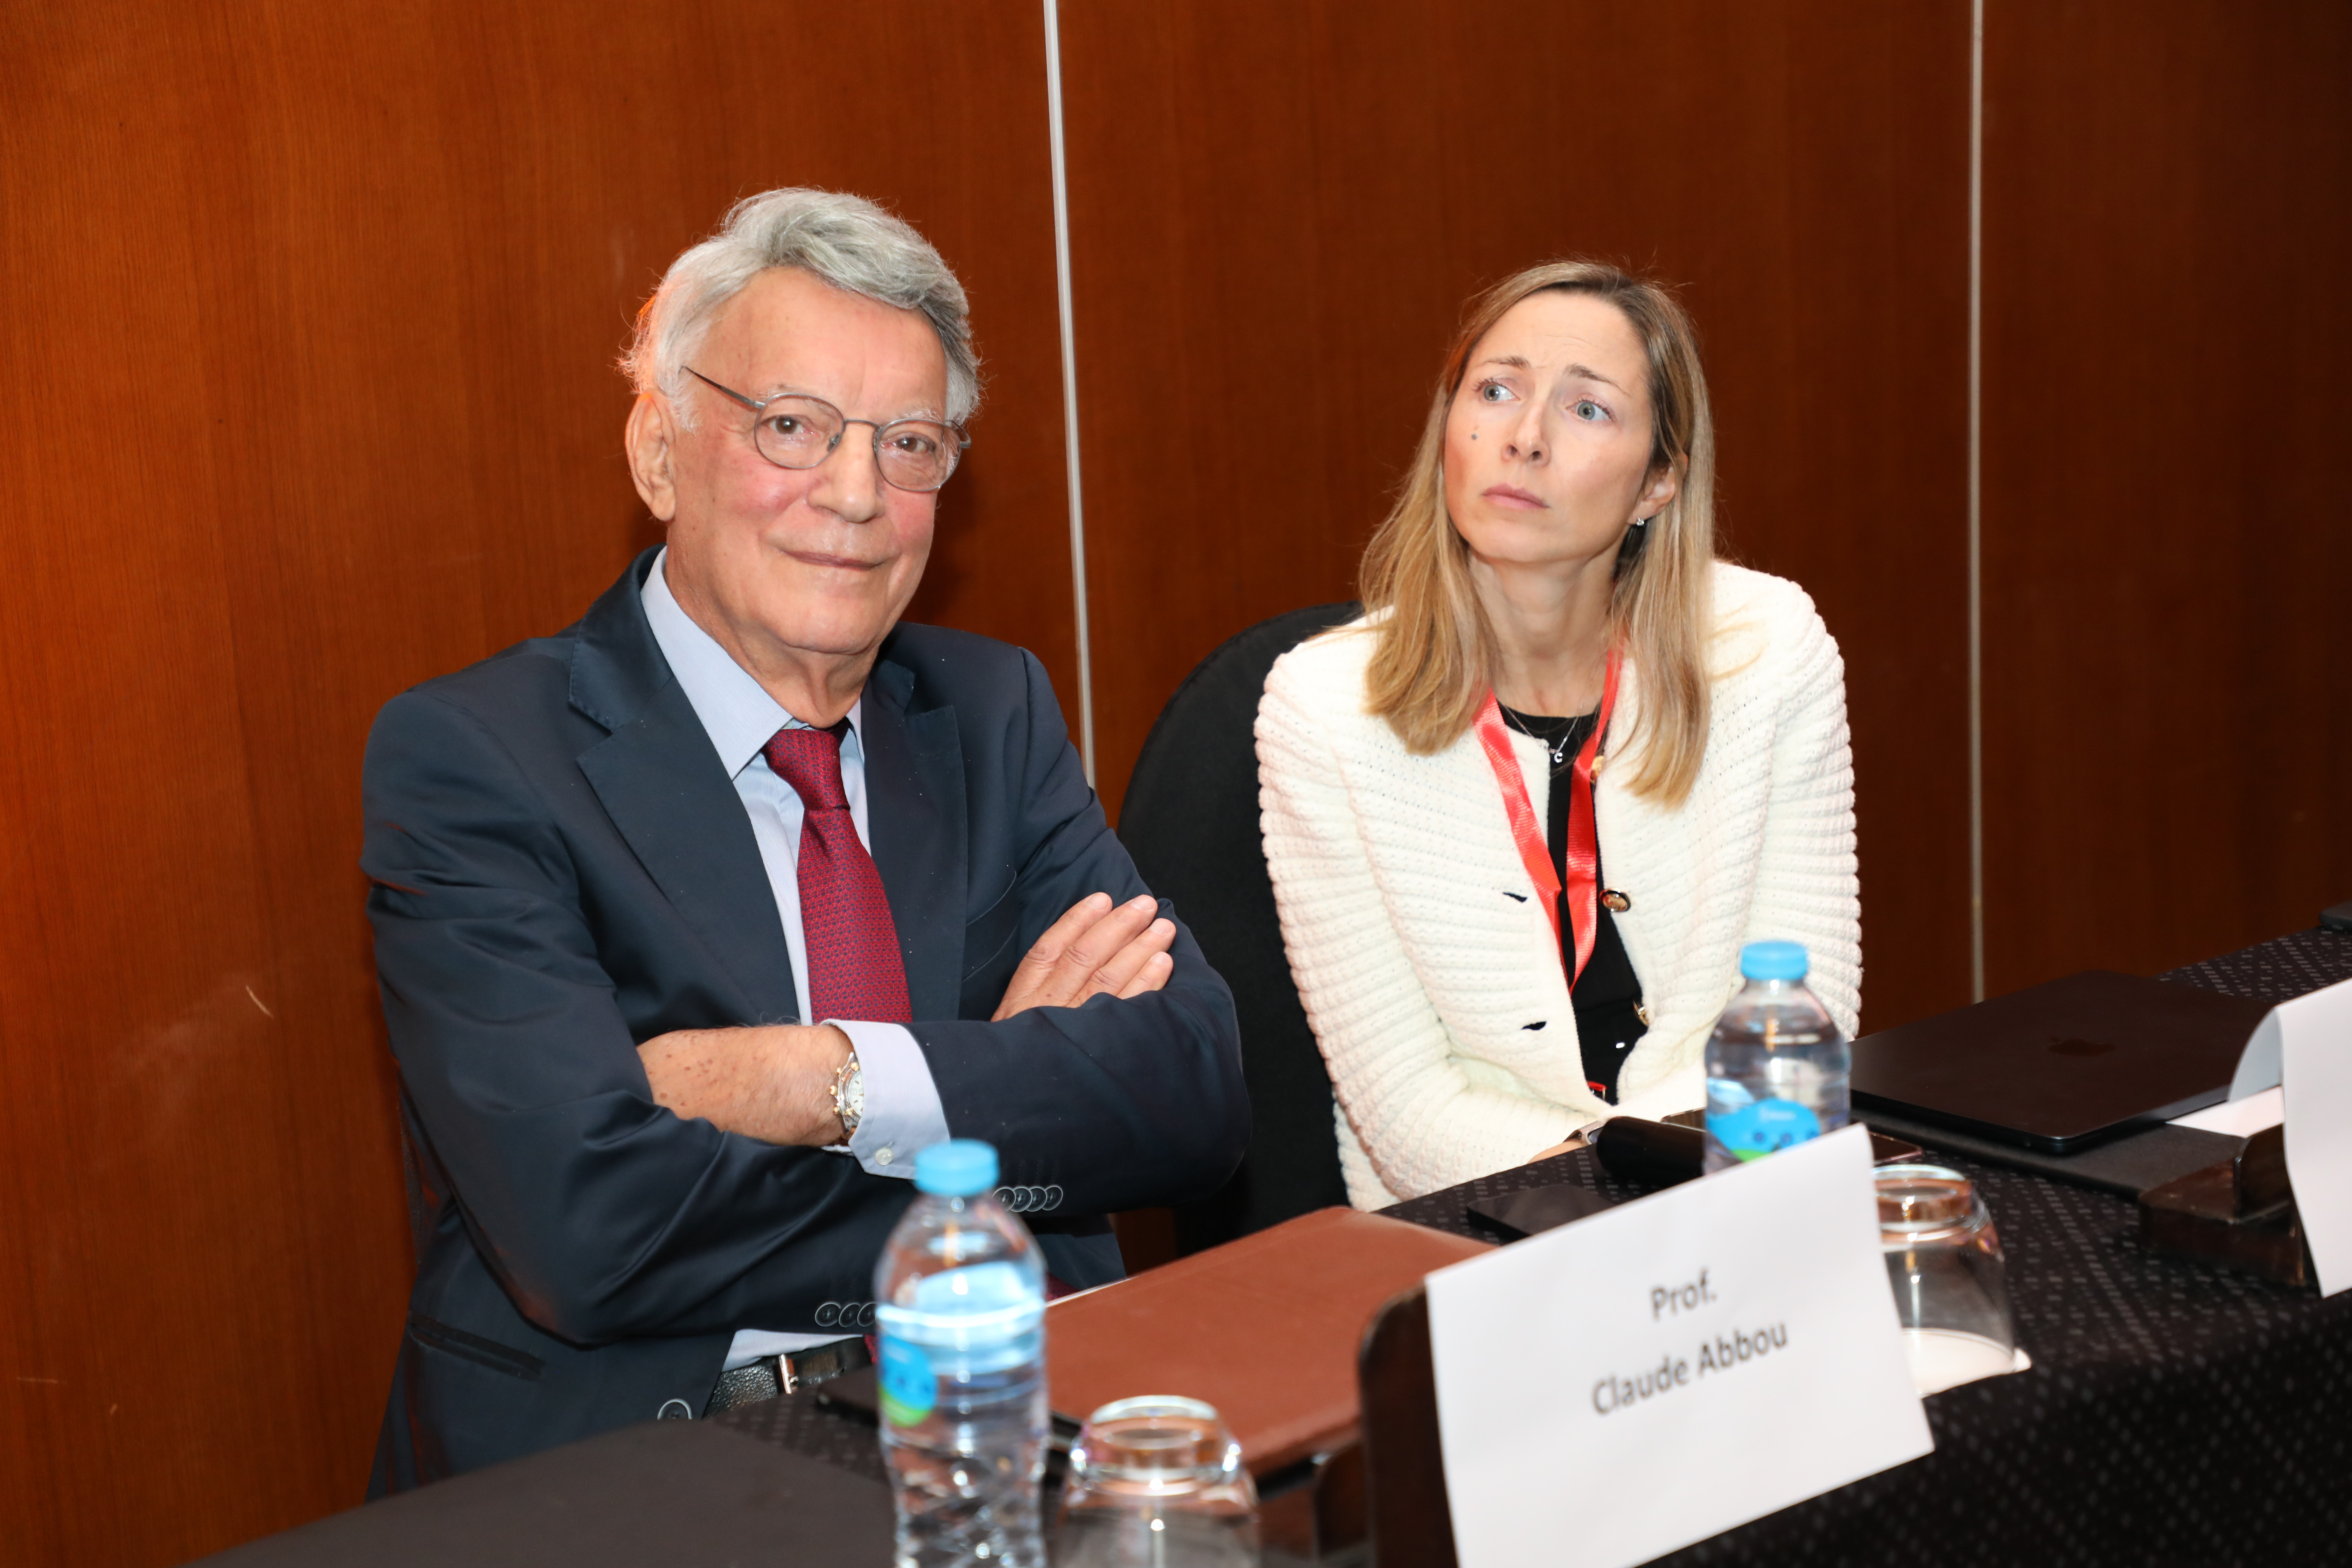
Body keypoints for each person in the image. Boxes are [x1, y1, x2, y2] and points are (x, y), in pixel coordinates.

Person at [361, 189, 1246, 1489]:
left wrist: (824, 1080)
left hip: (995, 1426)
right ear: (658, 453)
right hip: (647, 1461)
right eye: (792, 426)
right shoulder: (479, 757)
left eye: (910, 444)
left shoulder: (990, 710)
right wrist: (995, 1118)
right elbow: (587, 1230)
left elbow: (1191, 1093)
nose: (855, 494)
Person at [1256, 260, 1858, 1210]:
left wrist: (1689, 1195)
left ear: (1658, 480)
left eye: (1587, 409)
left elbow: (1803, 1020)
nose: (1524, 438)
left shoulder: (1767, 649)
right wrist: (1621, 1191)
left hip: (1739, 1189)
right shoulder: (1325, 708)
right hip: (1469, 1218)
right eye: (1496, 392)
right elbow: (1402, 1108)